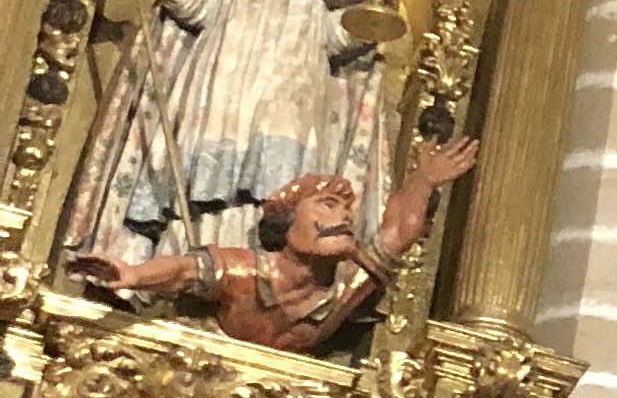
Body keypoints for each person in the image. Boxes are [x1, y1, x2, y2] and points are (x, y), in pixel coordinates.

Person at [61, 0, 391, 272]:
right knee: (202, 179)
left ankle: (256, 273)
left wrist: (382, 6)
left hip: (291, 97)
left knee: (276, 190)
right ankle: (179, 266)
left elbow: (339, 38)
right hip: (221, 87)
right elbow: (199, 6)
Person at [72, 136, 475, 353]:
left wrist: (424, 180)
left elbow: (399, 231)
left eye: (346, 211)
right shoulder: (247, 272)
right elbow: (184, 271)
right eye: (328, 205)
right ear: (287, 224)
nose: (344, 218)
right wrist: (133, 274)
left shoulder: (345, 289)